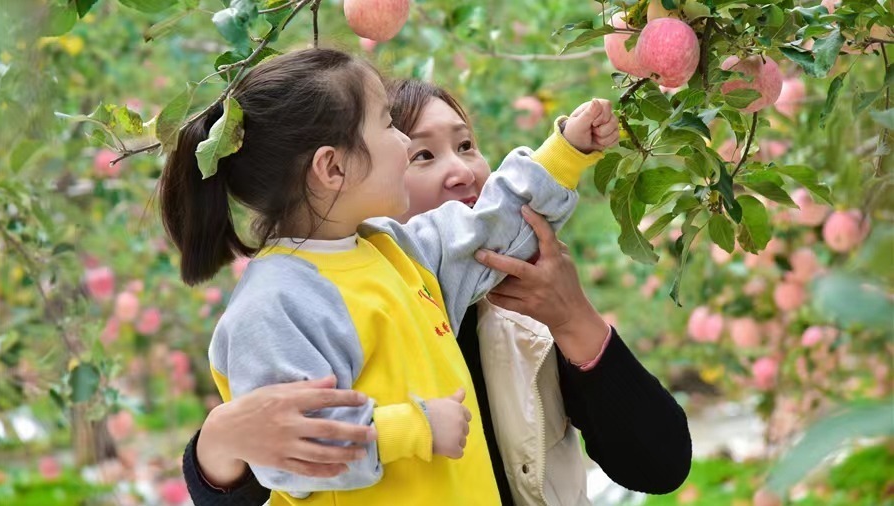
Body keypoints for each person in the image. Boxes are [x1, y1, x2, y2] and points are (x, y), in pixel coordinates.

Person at [181, 77, 691, 506]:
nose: (462, 172)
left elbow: (660, 464)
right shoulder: (293, 298)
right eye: (418, 149)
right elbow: (292, 456)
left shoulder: (445, 279)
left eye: (467, 145)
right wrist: (218, 447)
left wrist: (573, 314)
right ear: (334, 170)